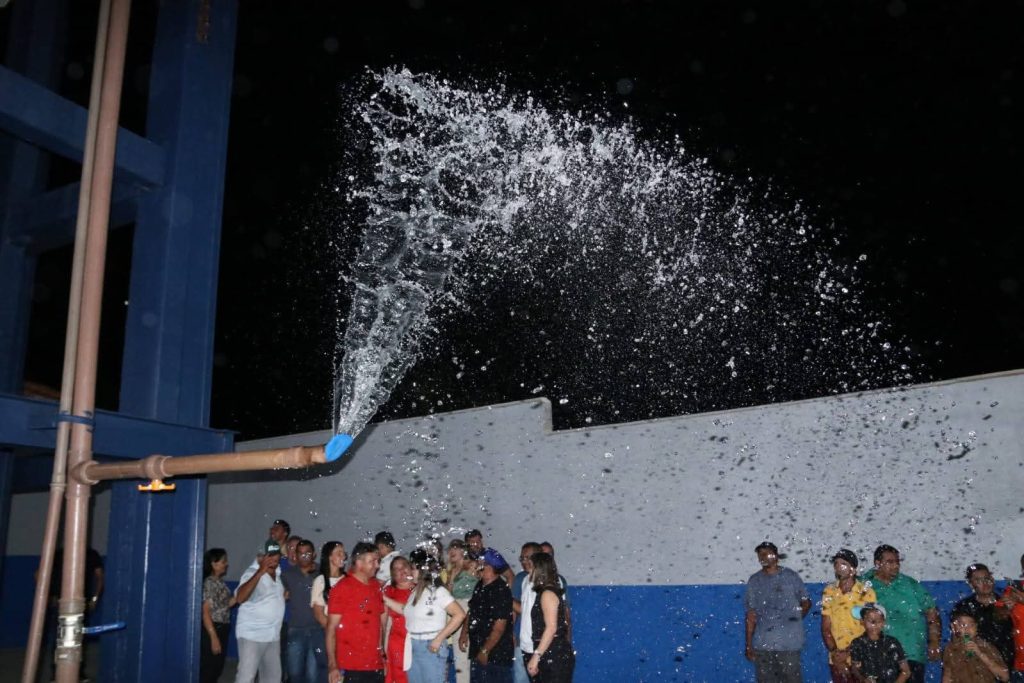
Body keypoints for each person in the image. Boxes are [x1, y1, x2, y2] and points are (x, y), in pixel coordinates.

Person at [385, 548, 466, 683]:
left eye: (413, 568)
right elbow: (404, 610)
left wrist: (438, 639)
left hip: (430, 646)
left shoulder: (437, 591)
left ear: (422, 570)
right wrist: (383, 597)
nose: (410, 572)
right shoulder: (415, 592)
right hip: (413, 646)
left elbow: (460, 614)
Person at [862, 545, 941, 682]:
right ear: (877, 563)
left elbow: (931, 611)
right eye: (890, 562)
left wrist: (934, 641)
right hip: (878, 655)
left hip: (911, 653)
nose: (896, 566)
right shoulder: (865, 585)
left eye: (897, 562)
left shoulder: (910, 584)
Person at [744, 541, 811, 682]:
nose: (763, 557)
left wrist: (794, 620)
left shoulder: (790, 576)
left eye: (766, 553)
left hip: (789, 645)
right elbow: (751, 616)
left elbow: (806, 603)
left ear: (775, 555)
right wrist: (749, 644)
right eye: (760, 554)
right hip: (763, 645)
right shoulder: (754, 581)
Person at [326, 541, 386, 683]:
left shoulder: (375, 586)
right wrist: (333, 665)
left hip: (375, 664)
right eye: (372, 561)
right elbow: (331, 628)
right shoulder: (342, 588)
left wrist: (382, 654)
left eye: (377, 561)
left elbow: (379, 624)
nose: (377, 565)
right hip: (350, 665)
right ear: (359, 563)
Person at [234, 539, 287, 683]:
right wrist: (260, 571)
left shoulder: (277, 574)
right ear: (260, 557)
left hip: (272, 636)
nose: (274, 558)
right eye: (270, 555)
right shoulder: (251, 573)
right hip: (252, 635)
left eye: (276, 554)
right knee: (246, 678)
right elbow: (240, 598)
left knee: (273, 679)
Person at [821, 549, 877, 683]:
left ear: (853, 569)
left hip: (862, 657)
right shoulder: (829, 591)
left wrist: (848, 652)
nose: (838, 567)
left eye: (843, 564)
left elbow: (872, 628)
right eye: (836, 563)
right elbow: (825, 627)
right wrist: (835, 654)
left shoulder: (866, 592)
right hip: (837, 659)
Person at [461, 548, 515, 683]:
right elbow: (472, 610)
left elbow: (500, 626)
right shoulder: (480, 585)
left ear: (490, 566)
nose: (477, 566)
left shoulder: (501, 590)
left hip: (496, 655)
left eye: (481, 563)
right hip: (477, 649)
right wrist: (464, 632)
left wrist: (485, 651)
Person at [952, 564, 1015, 668]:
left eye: (987, 578)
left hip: (1004, 662)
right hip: (975, 664)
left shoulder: (1007, 603)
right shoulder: (963, 608)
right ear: (971, 584)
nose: (985, 583)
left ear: (992, 579)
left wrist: (1012, 610)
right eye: (978, 580)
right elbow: (956, 638)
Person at [525, 552, 574, 682]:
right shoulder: (546, 592)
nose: (528, 570)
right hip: (552, 651)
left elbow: (551, 628)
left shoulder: (547, 594)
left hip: (554, 652)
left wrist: (536, 656)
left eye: (531, 566)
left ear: (540, 570)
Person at [281, 539, 323, 683]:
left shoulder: (322, 572)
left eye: (307, 553)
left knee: (313, 674)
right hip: (296, 629)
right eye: (301, 553)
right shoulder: (287, 575)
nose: (304, 556)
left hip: (317, 629)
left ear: (314, 554)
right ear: (296, 555)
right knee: (294, 672)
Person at [850, 603, 911, 683]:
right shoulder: (857, 643)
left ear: (883, 622)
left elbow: (906, 671)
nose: (874, 624)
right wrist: (863, 679)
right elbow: (855, 668)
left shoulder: (892, 642)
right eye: (870, 620)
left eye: (878, 621)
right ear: (862, 621)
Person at [941, 610, 1009, 682]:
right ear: (954, 627)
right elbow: (947, 676)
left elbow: (1005, 676)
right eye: (962, 625)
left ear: (976, 627)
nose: (967, 629)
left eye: (971, 625)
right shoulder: (951, 649)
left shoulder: (986, 646)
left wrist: (980, 653)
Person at [312, 541, 347, 682]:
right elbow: (319, 614)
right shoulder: (320, 581)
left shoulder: (347, 579)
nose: (343, 556)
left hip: (346, 635)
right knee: (328, 672)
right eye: (339, 553)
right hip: (326, 633)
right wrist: (334, 632)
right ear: (329, 557)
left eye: (343, 553)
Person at [447, 540, 479, 683]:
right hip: (455, 611)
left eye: (455, 548)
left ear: (463, 551)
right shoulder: (452, 570)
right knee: (459, 656)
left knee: (471, 654)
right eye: (449, 549)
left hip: (470, 609)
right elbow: (447, 595)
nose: (451, 552)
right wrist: (451, 579)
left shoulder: (473, 565)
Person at [201, 548, 234, 683]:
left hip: (222, 628)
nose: (226, 564)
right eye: (223, 561)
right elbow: (206, 612)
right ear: (214, 564)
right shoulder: (209, 583)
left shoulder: (219, 582)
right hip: (213, 628)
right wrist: (213, 637)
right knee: (209, 669)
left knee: (216, 668)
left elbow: (226, 605)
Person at [513, 543, 543, 683]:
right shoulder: (524, 579)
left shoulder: (547, 580)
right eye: (522, 558)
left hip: (540, 644)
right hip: (524, 643)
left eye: (527, 557)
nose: (524, 561)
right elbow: (523, 611)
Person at [384, 556, 414, 683]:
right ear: (393, 575)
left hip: (418, 643)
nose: (401, 570)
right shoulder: (388, 592)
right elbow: (385, 624)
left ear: (411, 568)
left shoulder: (421, 589)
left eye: (404, 566)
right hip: (397, 643)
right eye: (396, 569)